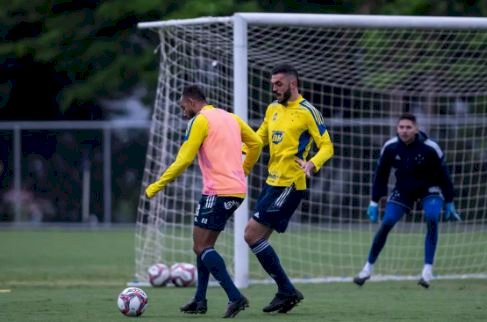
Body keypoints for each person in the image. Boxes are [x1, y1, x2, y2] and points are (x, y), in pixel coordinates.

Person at [145, 85, 263, 318]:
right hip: (236, 190)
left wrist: (156, 186)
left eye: (182, 107)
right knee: (202, 245)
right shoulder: (231, 117)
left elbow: (183, 159)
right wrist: (244, 169)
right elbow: (257, 144)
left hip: (217, 191)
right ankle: (200, 300)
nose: (182, 111)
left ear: (191, 102)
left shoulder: (200, 121)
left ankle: (235, 296)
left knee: (201, 246)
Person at [244, 64, 334, 313]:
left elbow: (327, 146)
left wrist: (313, 164)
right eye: (272, 84)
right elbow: (258, 138)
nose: (274, 88)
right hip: (271, 182)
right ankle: (286, 292)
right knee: (257, 239)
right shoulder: (272, 108)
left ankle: (286, 289)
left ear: (293, 84)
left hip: (292, 183)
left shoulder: (308, 111)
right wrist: (238, 154)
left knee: (251, 235)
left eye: (278, 84)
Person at [353, 113, 461, 289]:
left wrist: (449, 200)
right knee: (387, 222)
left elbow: (444, 176)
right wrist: (374, 202)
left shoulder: (430, 148)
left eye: (408, 127)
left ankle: (427, 271)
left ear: (416, 129)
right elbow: (381, 175)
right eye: (401, 127)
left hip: (430, 188)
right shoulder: (390, 148)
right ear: (397, 129)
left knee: (432, 217)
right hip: (404, 190)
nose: (404, 131)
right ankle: (367, 269)